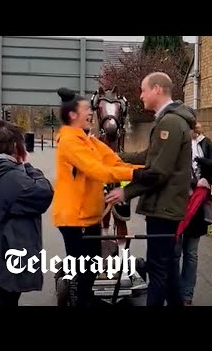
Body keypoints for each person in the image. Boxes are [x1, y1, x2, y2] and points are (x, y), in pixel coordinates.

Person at [51, 87, 159, 307]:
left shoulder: (87, 140)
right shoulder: (70, 142)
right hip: (74, 220)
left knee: (90, 273)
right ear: (73, 115)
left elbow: (114, 162)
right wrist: (137, 174)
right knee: (83, 275)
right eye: (86, 109)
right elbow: (97, 170)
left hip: (88, 218)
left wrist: (149, 169)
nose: (91, 112)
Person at [105, 72, 196, 306]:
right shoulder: (167, 120)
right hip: (164, 206)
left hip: (163, 207)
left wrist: (125, 192)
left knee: (157, 270)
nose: (141, 95)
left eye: (144, 90)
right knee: (167, 268)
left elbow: (158, 172)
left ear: (157, 89)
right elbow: (147, 156)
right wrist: (115, 157)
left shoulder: (170, 123)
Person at [0, 120, 54, 306]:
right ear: (16, 146)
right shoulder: (12, 177)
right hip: (4, 265)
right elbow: (44, 194)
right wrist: (28, 166)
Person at [175, 122, 212, 306]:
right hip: (175, 203)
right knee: (174, 252)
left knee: (190, 253)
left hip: (196, 206)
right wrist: (192, 183)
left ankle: (186, 297)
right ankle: (174, 294)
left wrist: (208, 179)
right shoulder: (175, 143)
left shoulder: (204, 144)